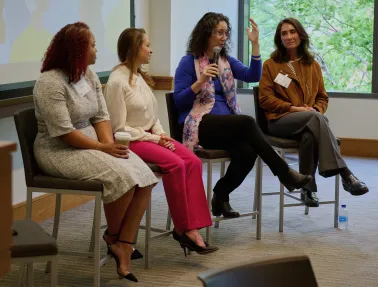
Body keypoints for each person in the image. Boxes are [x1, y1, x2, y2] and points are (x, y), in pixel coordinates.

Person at [33, 22, 158, 282]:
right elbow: (64, 132)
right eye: (92, 45)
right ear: (77, 49)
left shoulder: (87, 75)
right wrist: (104, 148)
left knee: (145, 176)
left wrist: (109, 147)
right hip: (58, 150)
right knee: (121, 178)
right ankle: (117, 241)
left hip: (89, 142)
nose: (97, 50)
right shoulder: (49, 83)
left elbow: (101, 115)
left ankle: (121, 242)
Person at [173, 12, 313, 218]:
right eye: (219, 33)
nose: (223, 37)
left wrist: (255, 45)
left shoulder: (225, 61)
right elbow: (178, 101)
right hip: (199, 123)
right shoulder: (188, 62)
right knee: (247, 122)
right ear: (206, 34)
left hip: (227, 124)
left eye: (225, 33)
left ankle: (220, 195)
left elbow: (252, 76)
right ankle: (285, 174)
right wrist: (200, 81)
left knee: (248, 151)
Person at [104, 28, 218, 256]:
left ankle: (192, 226)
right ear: (134, 49)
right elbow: (119, 129)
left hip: (150, 136)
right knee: (175, 165)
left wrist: (162, 134)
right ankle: (185, 230)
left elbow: (152, 115)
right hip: (132, 141)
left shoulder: (138, 76)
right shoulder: (117, 81)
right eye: (147, 45)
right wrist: (155, 138)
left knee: (192, 161)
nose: (151, 49)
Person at [258, 18, 369, 207]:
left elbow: (322, 98)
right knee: (316, 119)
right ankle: (345, 174)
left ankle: (308, 189)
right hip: (279, 121)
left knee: (310, 135)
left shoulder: (313, 65)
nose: (288, 36)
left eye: (292, 32)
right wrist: (294, 109)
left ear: (300, 35)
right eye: (284, 33)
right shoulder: (271, 64)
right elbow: (265, 99)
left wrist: (314, 110)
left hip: (309, 120)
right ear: (279, 38)